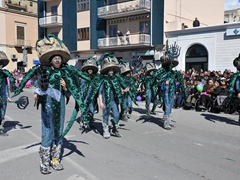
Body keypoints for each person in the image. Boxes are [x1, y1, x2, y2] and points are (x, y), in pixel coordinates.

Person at [12, 34, 90, 174]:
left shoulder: (65, 73)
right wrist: (36, 94)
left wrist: (65, 87)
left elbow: (69, 94)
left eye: (59, 58)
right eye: (55, 58)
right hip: (47, 108)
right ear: (51, 60)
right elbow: (38, 86)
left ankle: (55, 160)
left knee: (58, 134)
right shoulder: (44, 71)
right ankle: (44, 162)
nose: (57, 60)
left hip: (60, 109)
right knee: (47, 133)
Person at [153, 43, 186, 130]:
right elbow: (155, 78)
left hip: (172, 90)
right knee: (167, 104)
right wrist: (163, 82)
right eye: (169, 64)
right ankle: (166, 123)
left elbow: (180, 82)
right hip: (166, 90)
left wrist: (180, 90)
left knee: (170, 105)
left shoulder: (174, 72)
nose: (170, 66)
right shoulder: (162, 71)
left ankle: (168, 120)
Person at [98, 53, 129, 138]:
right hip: (105, 101)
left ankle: (114, 129)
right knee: (106, 115)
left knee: (116, 115)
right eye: (109, 70)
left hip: (114, 101)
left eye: (112, 69)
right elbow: (99, 92)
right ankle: (105, 130)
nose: (111, 71)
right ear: (106, 71)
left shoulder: (115, 79)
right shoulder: (103, 80)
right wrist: (101, 102)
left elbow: (119, 89)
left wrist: (124, 90)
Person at [79, 56, 99, 129]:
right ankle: (82, 122)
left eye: (91, 69)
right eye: (89, 69)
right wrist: (81, 95)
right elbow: (81, 87)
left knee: (92, 110)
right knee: (84, 110)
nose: (90, 70)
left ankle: (90, 122)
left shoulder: (95, 78)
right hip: (85, 97)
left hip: (93, 98)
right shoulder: (83, 78)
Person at [0, 51, 17, 136]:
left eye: (1, 65)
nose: (0, 66)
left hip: (3, 98)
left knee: (2, 113)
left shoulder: (3, 75)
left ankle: (1, 129)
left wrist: (7, 96)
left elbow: (6, 86)